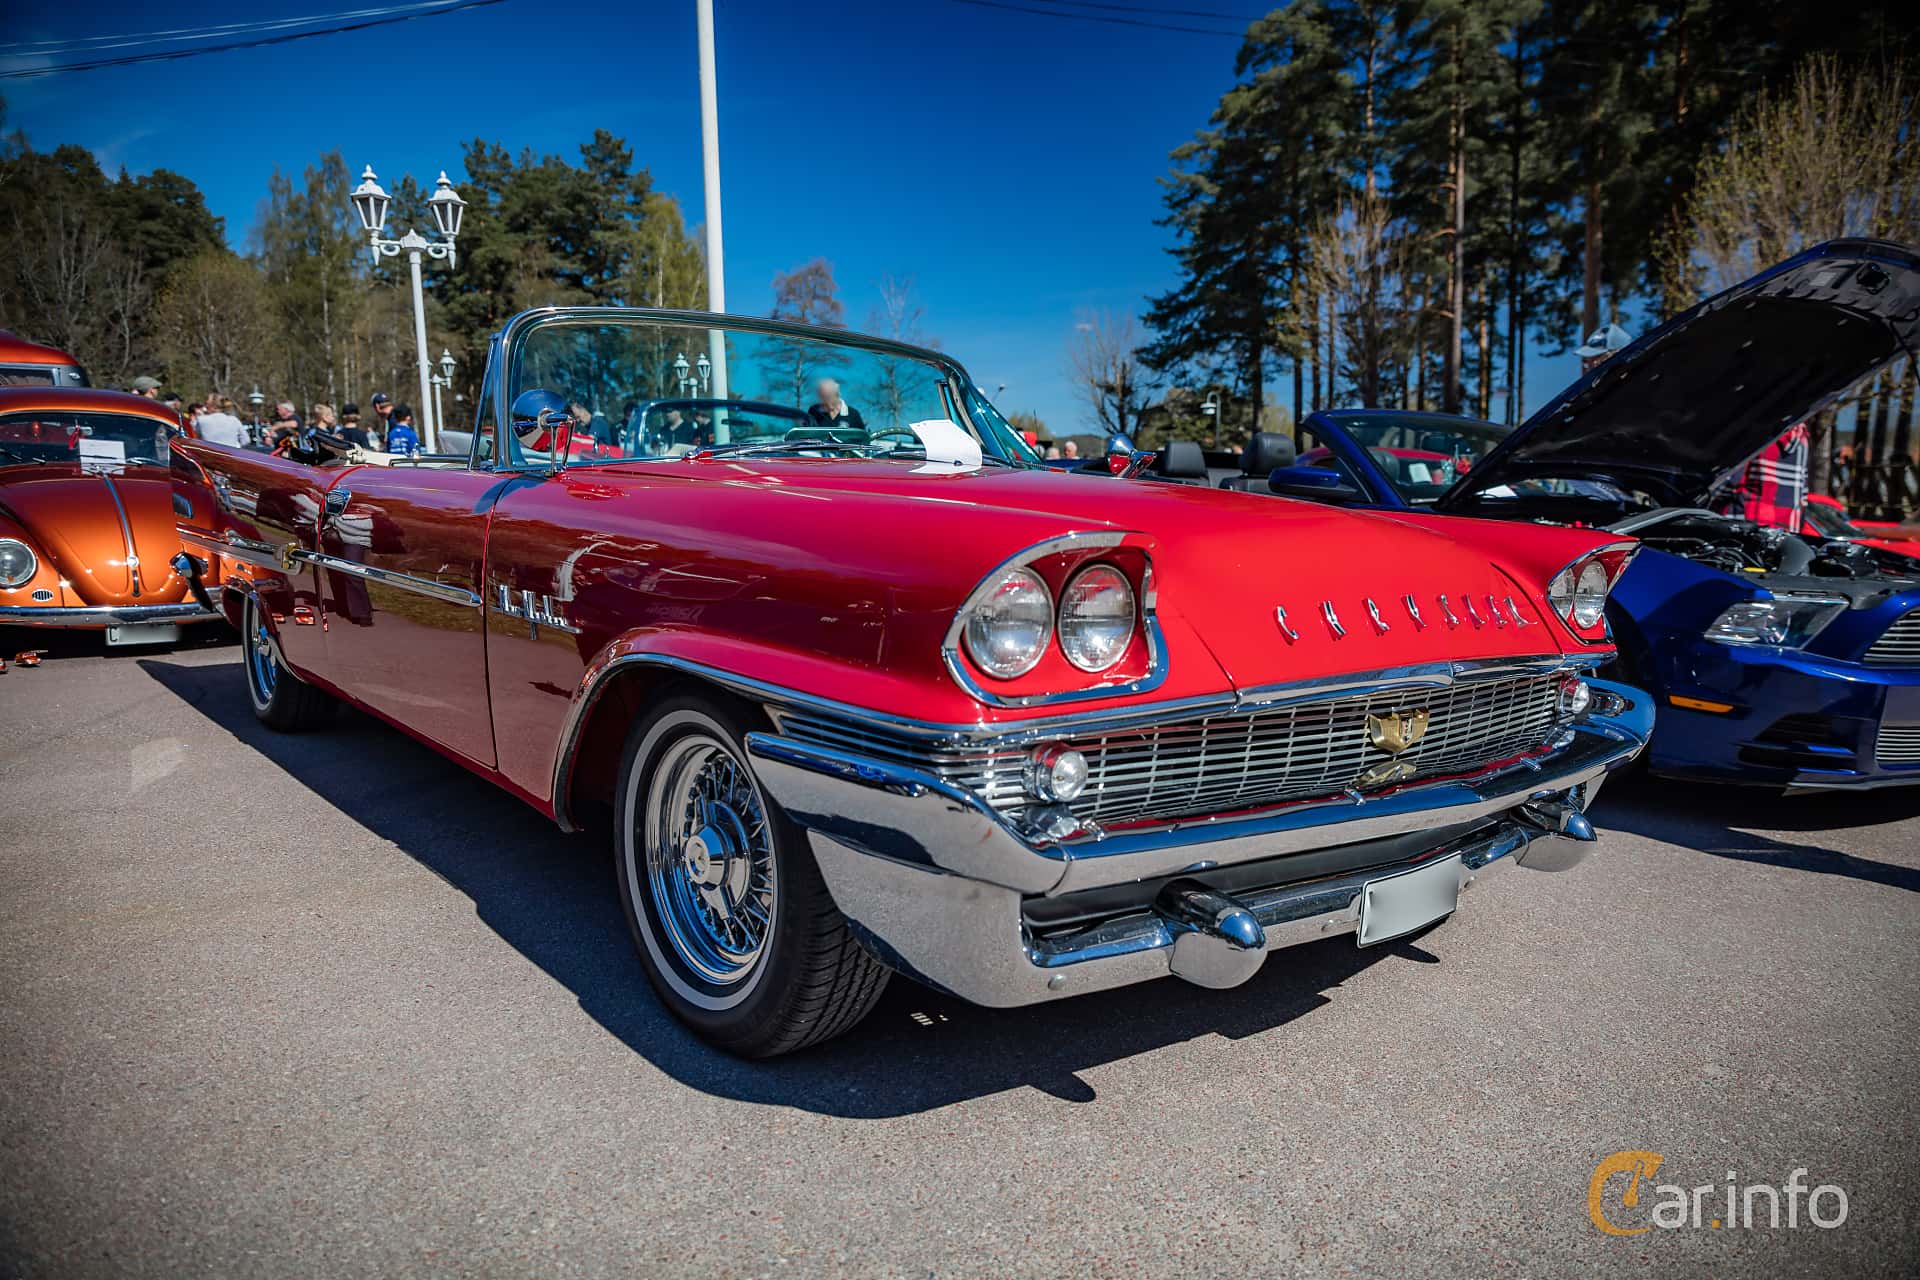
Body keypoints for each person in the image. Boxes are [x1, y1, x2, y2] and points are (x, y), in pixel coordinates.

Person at [1722, 423, 1810, 533]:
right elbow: (1804, 490)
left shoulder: (1761, 432)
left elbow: (1733, 477)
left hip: (1749, 518)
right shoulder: (1802, 438)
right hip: (1787, 523)